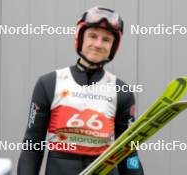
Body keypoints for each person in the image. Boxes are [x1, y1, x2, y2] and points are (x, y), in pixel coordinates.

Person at [17, 6, 144, 175]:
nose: (98, 44)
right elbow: (32, 146)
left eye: (106, 40)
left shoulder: (121, 91)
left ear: (113, 47)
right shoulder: (49, 83)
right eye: (93, 36)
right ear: (80, 38)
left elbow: (128, 153)